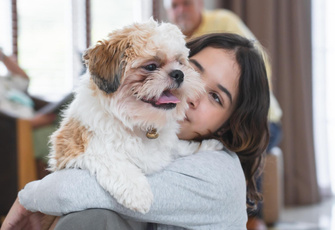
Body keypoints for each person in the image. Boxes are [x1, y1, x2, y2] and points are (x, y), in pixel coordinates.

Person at [1, 33, 270, 230]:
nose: (194, 93)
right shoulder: (149, 136)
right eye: (193, 71)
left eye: (215, 97)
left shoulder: (216, 174)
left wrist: (28, 198)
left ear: (229, 124)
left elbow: (70, 191)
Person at [164, 0, 282, 228]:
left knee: (246, 155)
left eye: (215, 96)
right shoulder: (173, 40)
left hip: (266, 118)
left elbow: (257, 64)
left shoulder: (223, 22)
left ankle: (253, 217)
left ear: (199, 4)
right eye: (174, 6)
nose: (193, 95)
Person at [0, 48, 58, 178]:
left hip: (35, 121)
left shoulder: (5, 81)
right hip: (22, 131)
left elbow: (23, 79)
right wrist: (31, 123)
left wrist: (3, 57)